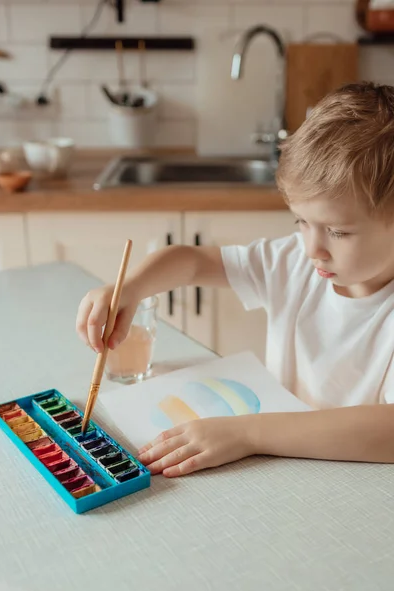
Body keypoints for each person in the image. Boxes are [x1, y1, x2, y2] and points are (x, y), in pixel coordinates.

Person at [76, 82, 394, 478]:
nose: (313, 248)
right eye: (301, 221)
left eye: (338, 232)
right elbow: (191, 262)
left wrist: (248, 434)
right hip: (281, 471)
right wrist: (131, 288)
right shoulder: (293, 261)